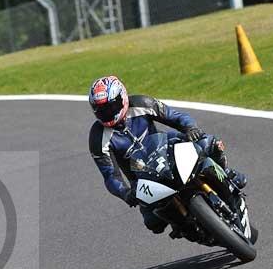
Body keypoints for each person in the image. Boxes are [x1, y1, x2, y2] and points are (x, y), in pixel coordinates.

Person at [87, 75, 248, 235]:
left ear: (122, 97)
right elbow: (110, 176)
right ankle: (185, 227)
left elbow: (176, 117)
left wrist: (190, 128)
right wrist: (126, 193)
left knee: (208, 142)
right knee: (153, 222)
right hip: (143, 178)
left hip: (167, 150)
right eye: (101, 110)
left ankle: (226, 172)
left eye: (111, 106)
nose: (107, 112)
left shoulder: (142, 104)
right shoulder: (98, 137)